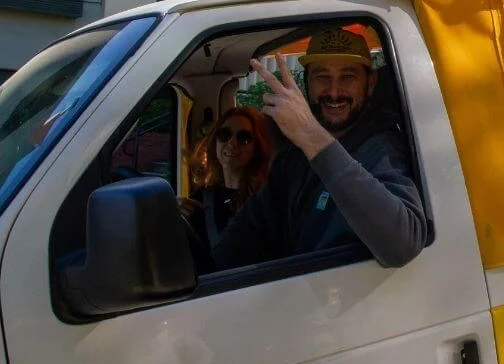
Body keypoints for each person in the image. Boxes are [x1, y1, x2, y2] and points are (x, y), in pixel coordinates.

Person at [213, 28, 426, 270]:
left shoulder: (382, 149)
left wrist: (311, 135)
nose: (334, 92)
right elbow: (250, 229)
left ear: (370, 83)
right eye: (322, 77)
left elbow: (403, 245)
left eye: (348, 77)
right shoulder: (294, 155)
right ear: (306, 81)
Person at [182, 106, 273, 254]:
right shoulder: (202, 197)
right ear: (215, 142)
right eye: (224, 135)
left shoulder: (264, 200)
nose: (232, 143)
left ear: (257, 148)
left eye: (243, 138)